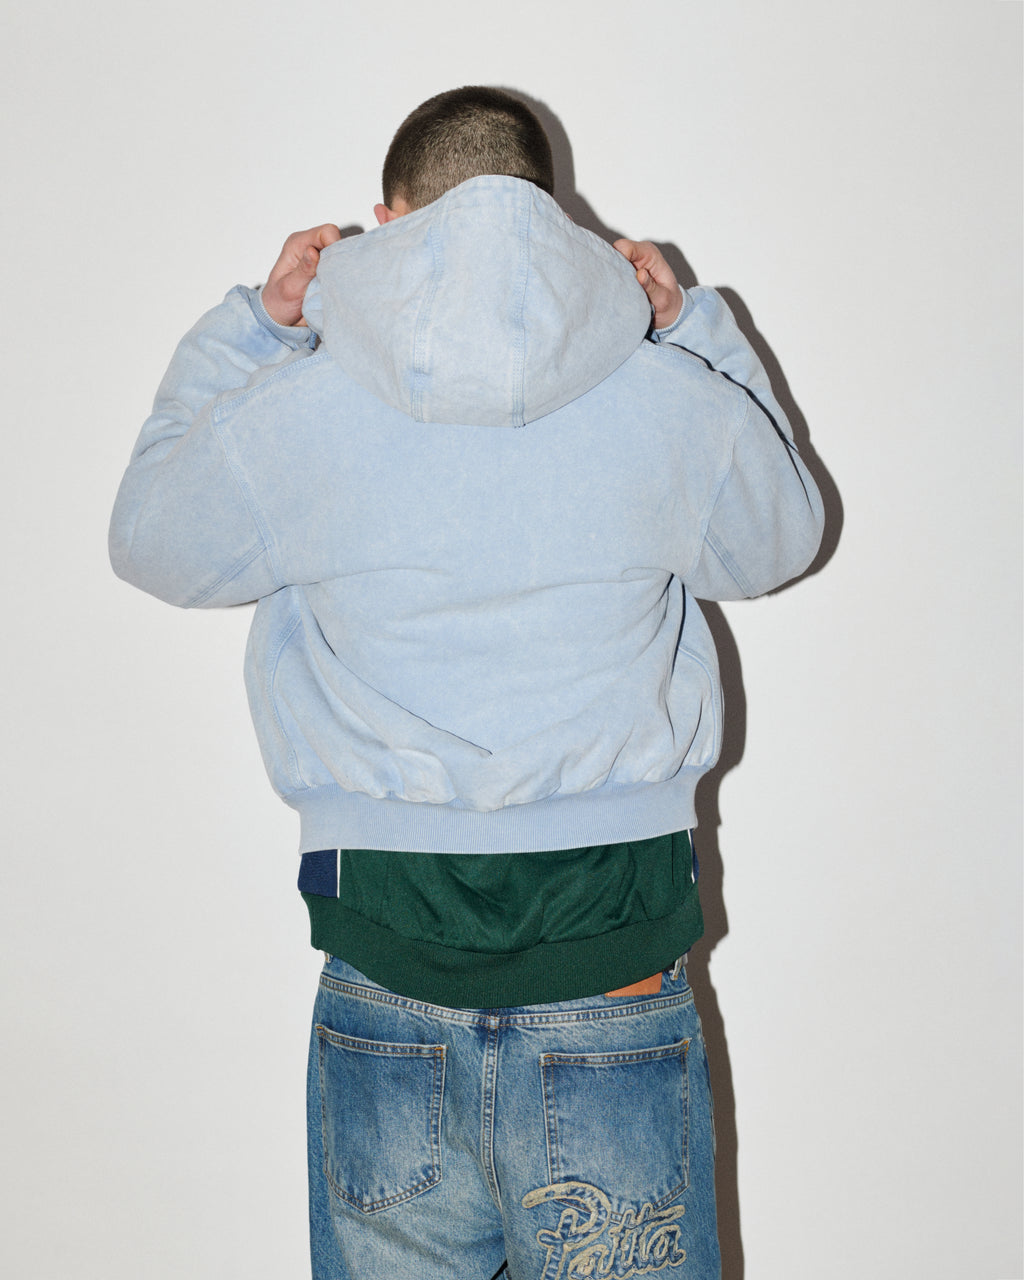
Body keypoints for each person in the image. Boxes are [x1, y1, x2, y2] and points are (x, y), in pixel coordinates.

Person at [110, 86, 824, 1280]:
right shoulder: (663, 398)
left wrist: (256, 327)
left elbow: (150, 538)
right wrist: (693, 326)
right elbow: (781, 538)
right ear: (551, 216)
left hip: (384, 955)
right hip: (615, 951)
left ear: (388, 223)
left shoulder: (303, 407)